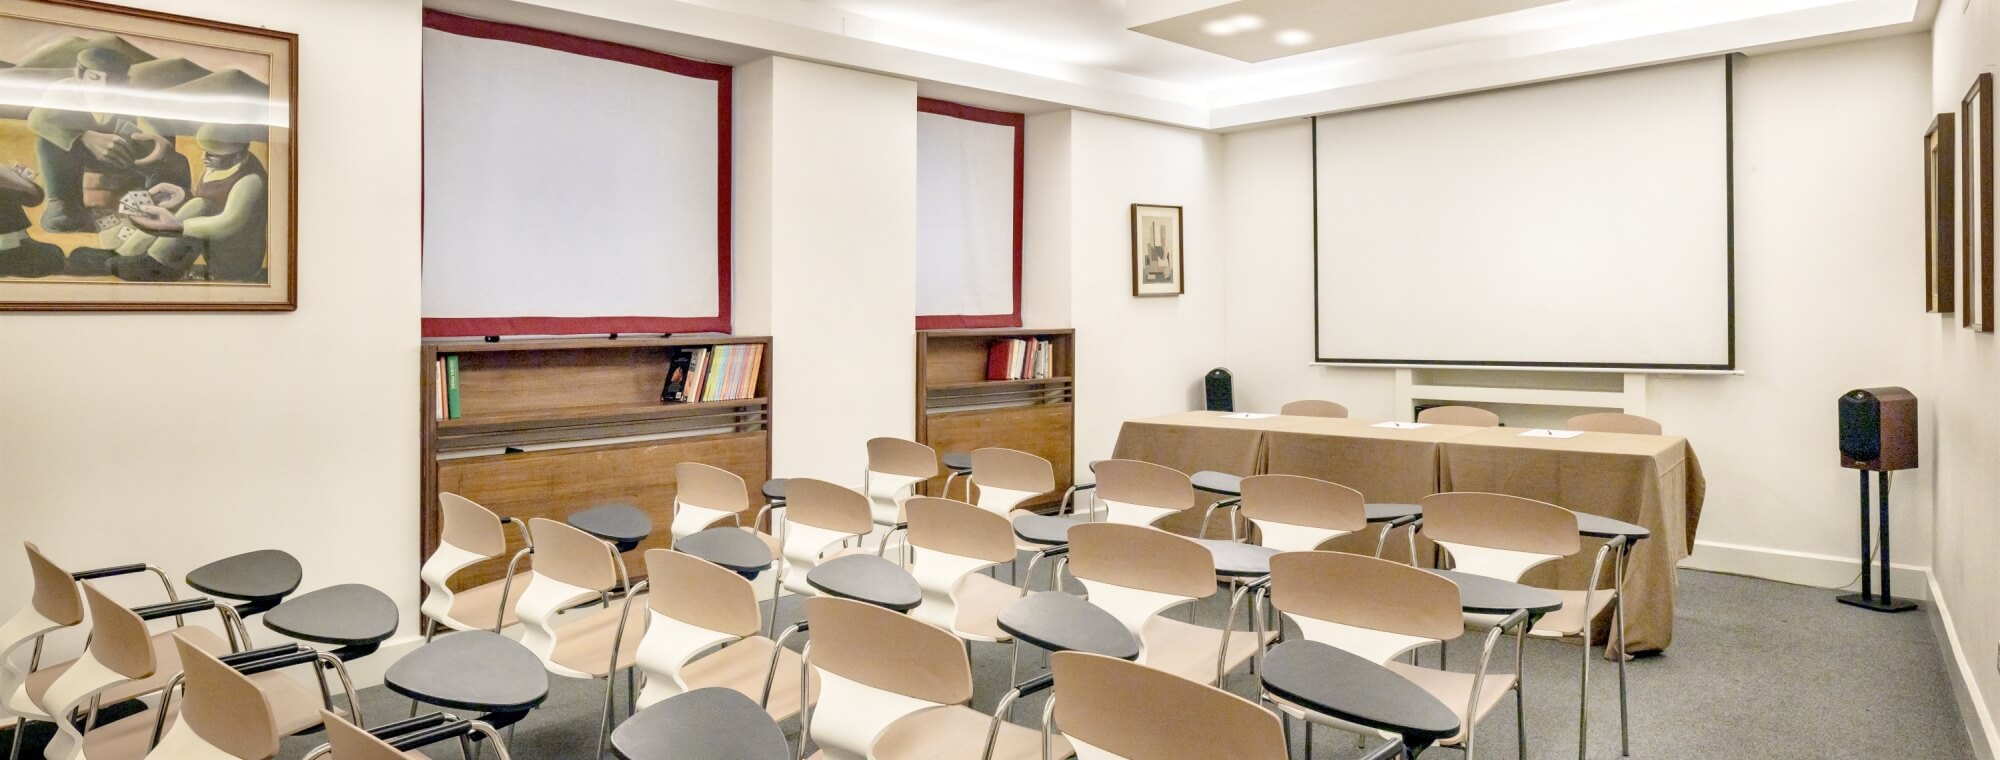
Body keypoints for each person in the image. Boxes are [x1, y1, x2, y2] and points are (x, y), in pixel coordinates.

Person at [29, 46, 189, 235]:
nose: (103, 87)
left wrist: (155, 145)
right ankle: (64, 206)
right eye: (95, 78)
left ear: (124, 81)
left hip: (124, 157)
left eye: (112, 80)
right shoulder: (64, 90)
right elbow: (38, 120)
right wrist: (85, 137)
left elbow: (160, 132)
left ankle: (161, 208)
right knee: (48, 141)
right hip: (78, 158)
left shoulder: (135, 96)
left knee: (176, 161)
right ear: (79, 75)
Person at [114, 122, 268, 282]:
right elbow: (213, 200)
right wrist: (182, 195)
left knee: (199, 205)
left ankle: (158, 265)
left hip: (235, 261)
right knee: (190, 205)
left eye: (210, 154)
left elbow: (228, 223)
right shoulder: (222, 165)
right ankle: (125, 253)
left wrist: (178, 227)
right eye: (204, 152)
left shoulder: (251, 181)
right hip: (212, 246)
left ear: (237, 156)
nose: (203, 157)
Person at [0, 164, 62, 278]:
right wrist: (20, 181)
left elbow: (34, 199)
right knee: (54, 257)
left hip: (15, 245)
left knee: (55, 255)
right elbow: (34, 196)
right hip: (8, 251)